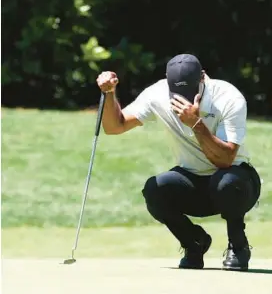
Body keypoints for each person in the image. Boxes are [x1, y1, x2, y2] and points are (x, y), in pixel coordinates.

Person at [96, 54, 261, 271]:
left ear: (203, 78)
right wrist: (109, 94)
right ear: (167, 80)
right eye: (177, 92)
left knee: (227, 182)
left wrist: (197, 124)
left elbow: (226, 159)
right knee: (155, 190)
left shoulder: (228, 97)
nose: (182, 99)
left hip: (237, 182)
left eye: (189, 92)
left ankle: (238, 246)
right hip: (195, 184)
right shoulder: (157, 93)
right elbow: (114, 126)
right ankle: (194, 243)